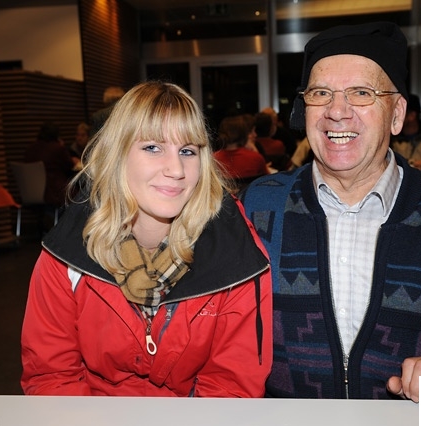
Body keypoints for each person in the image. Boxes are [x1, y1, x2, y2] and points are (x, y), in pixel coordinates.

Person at [241, 21, 421, 401]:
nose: (336, 111)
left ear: (397, 114)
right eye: (321, 93)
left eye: (361, 93)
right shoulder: (257, 208)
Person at [20, 81, 273, 397]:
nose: (176, 169)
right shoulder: (66, 253)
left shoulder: (235, 251)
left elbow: (231, 387)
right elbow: (52, 378)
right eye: (153, 147)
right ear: (116, 155)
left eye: (187, 151)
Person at [24, 121, 77, 207]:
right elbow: (70, 165)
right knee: (79, 190)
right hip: (53, 192)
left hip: (30, 191)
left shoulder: (30, 149)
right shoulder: (57, 148)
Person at [214, 114, 269, 188]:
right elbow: (269, 181)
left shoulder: (212, 159)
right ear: (244, 134)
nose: (255, 135)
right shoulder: (256, 158)